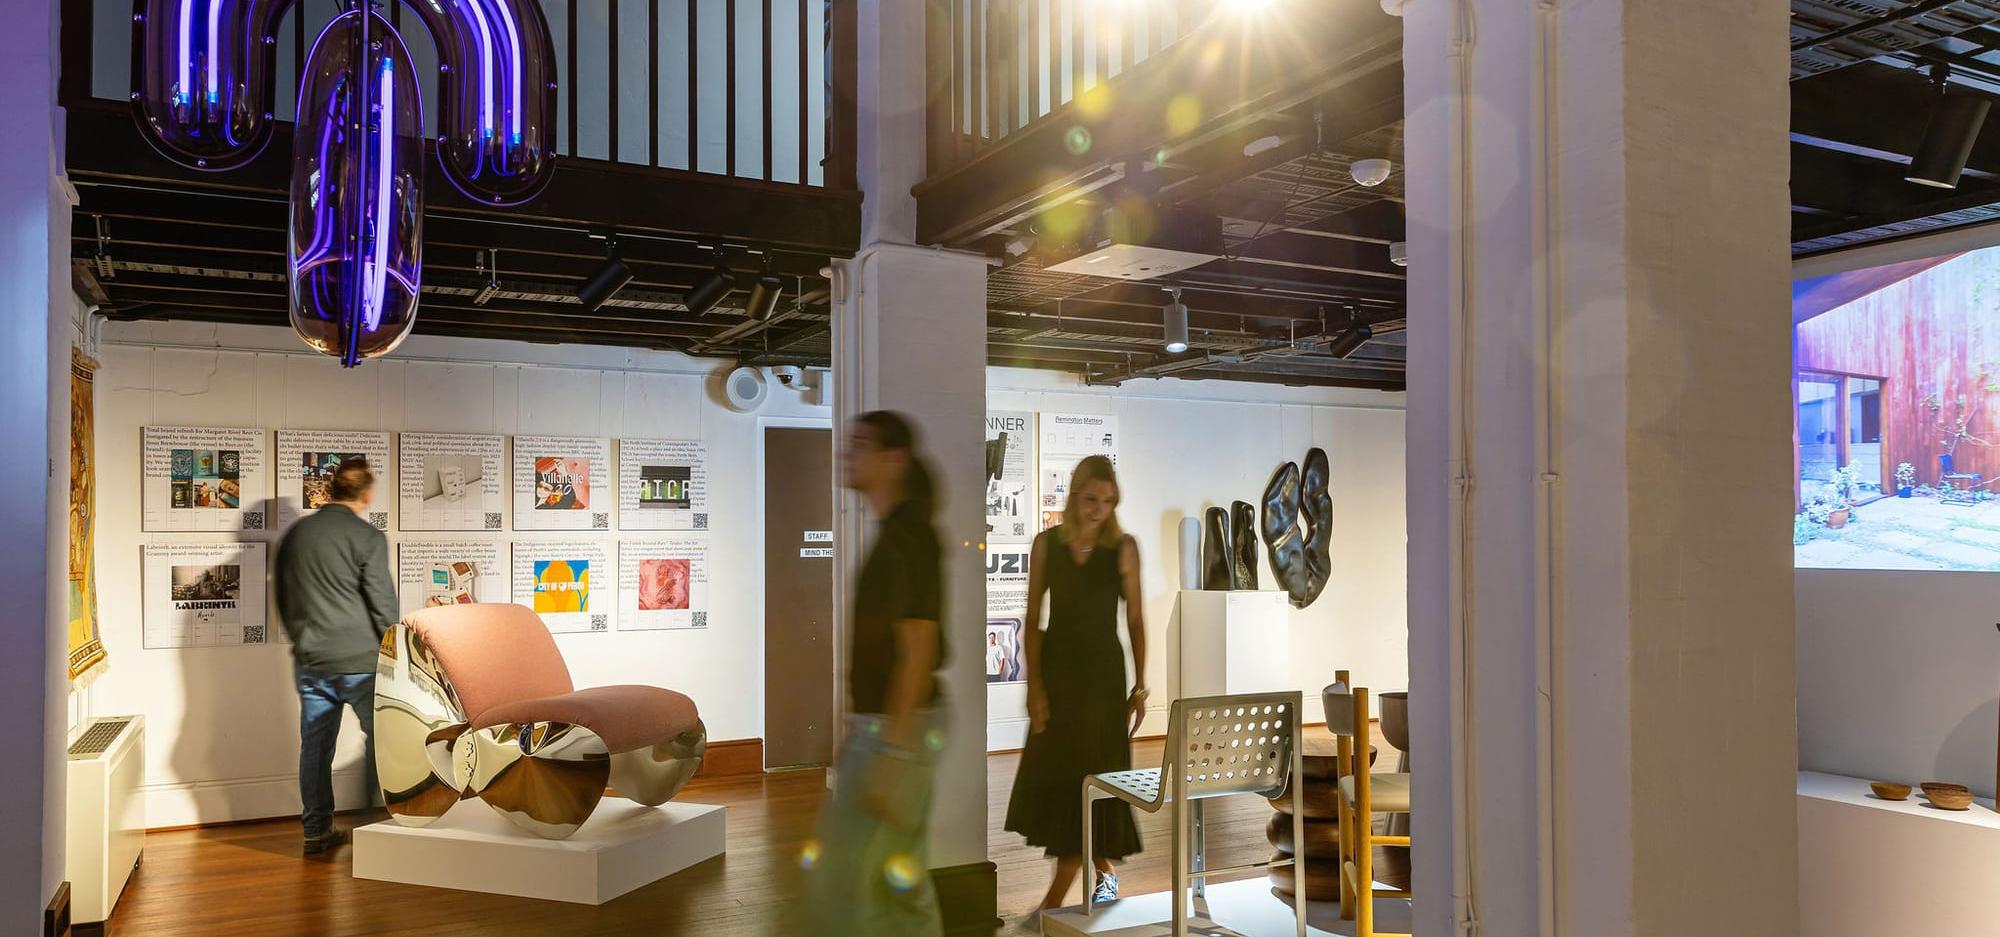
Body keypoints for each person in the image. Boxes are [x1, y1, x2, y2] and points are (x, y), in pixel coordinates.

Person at [803, 411, 948, 936]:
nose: (849, 453)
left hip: (896, 727)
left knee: (849, 879)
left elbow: (918, 652)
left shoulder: (909, 538)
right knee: (893, 877)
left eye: (861, 445)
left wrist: (893, 752)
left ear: (894, 460)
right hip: (884, 726)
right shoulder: (896, 534)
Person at [1005, 454, 1147, 916]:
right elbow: (1030, 620)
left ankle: (1049, 906)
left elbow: (1136, 619)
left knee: (1095, 779)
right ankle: (1103, 872)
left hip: (1104, 681)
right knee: (1065, 783)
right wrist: (1034, 688)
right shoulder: (1047, 544)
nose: (1098, 509)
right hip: (1060, 677)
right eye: (1090, 499)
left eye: (1107, 501)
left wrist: (1141, 686)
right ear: (1074, 495)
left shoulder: (1123, 548)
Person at [274, 456, 397, 855]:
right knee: (382, 739)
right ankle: (377, 825)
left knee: (315, 746)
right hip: (362, 661)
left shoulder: (297, 534)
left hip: (312, 659)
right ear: (366, 494)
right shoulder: (367, 538)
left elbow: (284, 596)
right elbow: (382, 605)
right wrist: (397, 652)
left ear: (330, 490)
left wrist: (302, 638)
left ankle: (316, 831)